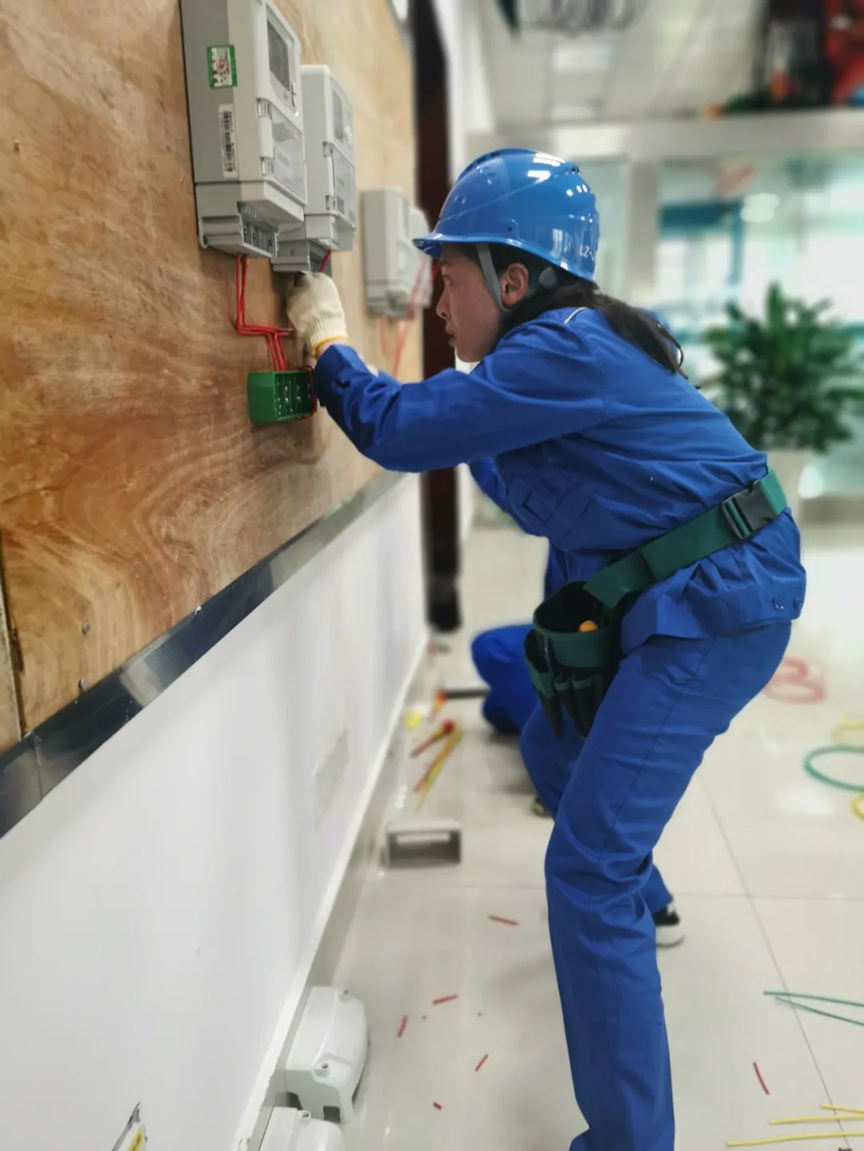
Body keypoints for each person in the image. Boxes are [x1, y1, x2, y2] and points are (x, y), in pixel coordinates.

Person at [286, 149, 805, 1151]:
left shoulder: (563, 351)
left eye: (450, 275)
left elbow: (396, 428)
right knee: (540, 721)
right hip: (665, 589)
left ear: (513, 279)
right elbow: (536, 493)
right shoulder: (559, 358)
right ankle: (642, 885)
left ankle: (629, 1138)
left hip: (718, 605)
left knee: (585, 869)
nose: (438, 300)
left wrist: (326, 340)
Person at [469, 457, 685, 948]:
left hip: (607, 648)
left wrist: (461, 434)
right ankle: (559, 730)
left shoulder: (591, 481)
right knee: (495, 709)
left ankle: (653, 903)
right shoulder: (581, 469)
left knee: (541, 736)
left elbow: (516, 493)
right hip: (588, 636)